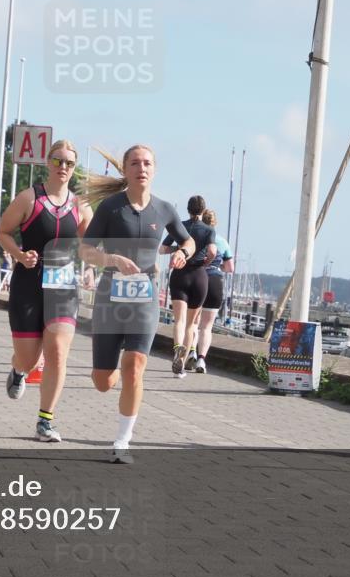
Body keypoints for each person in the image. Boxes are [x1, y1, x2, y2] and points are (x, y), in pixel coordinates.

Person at [79, 145, 193, 463]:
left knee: (135, 368)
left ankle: (122, 442)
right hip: (109, 300)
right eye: (135, 163)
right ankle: (110, 373)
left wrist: (183, 252)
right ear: (126, 170)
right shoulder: (110, 208)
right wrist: (111, 258)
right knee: (103, 381)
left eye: (147, 163)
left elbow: (187, 239)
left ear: (154, 170)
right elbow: (85, 250)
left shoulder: (165, 209)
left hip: (144, 299)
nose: (141, 168)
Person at [0, 140, 93, 442]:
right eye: (57, 161)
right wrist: (19, 255)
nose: (63, 167)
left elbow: (89, 245)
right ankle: (18, 369)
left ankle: (45, 420)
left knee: (58, 353)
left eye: (69, 163)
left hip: (63, 284)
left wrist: (91, 266)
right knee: (28, 358)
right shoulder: (29, 198)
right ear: (47, 163)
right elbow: (2, 232)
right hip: (29, 281)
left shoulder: (80, 206)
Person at [159, 196, 216, 378]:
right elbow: (213, 251)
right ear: (203, 209)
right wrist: (206, 262)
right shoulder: (208, 230)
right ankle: (182, 364)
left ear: (188, 209)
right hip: (199, 275)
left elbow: (162, 248)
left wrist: (178, 249)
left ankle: (177, 350)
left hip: (180, 272)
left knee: (179, 321)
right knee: (191, 324)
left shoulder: (180, 226)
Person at [193, 209, 234, 373]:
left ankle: (191, 353)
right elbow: (230, 267)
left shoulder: (195, 239)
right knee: (206, 327)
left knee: (193, 323)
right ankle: (201, 360)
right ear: (215, 223)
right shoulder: (222, 242)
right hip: (215, 281)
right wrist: (219, 266)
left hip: (197, 279)